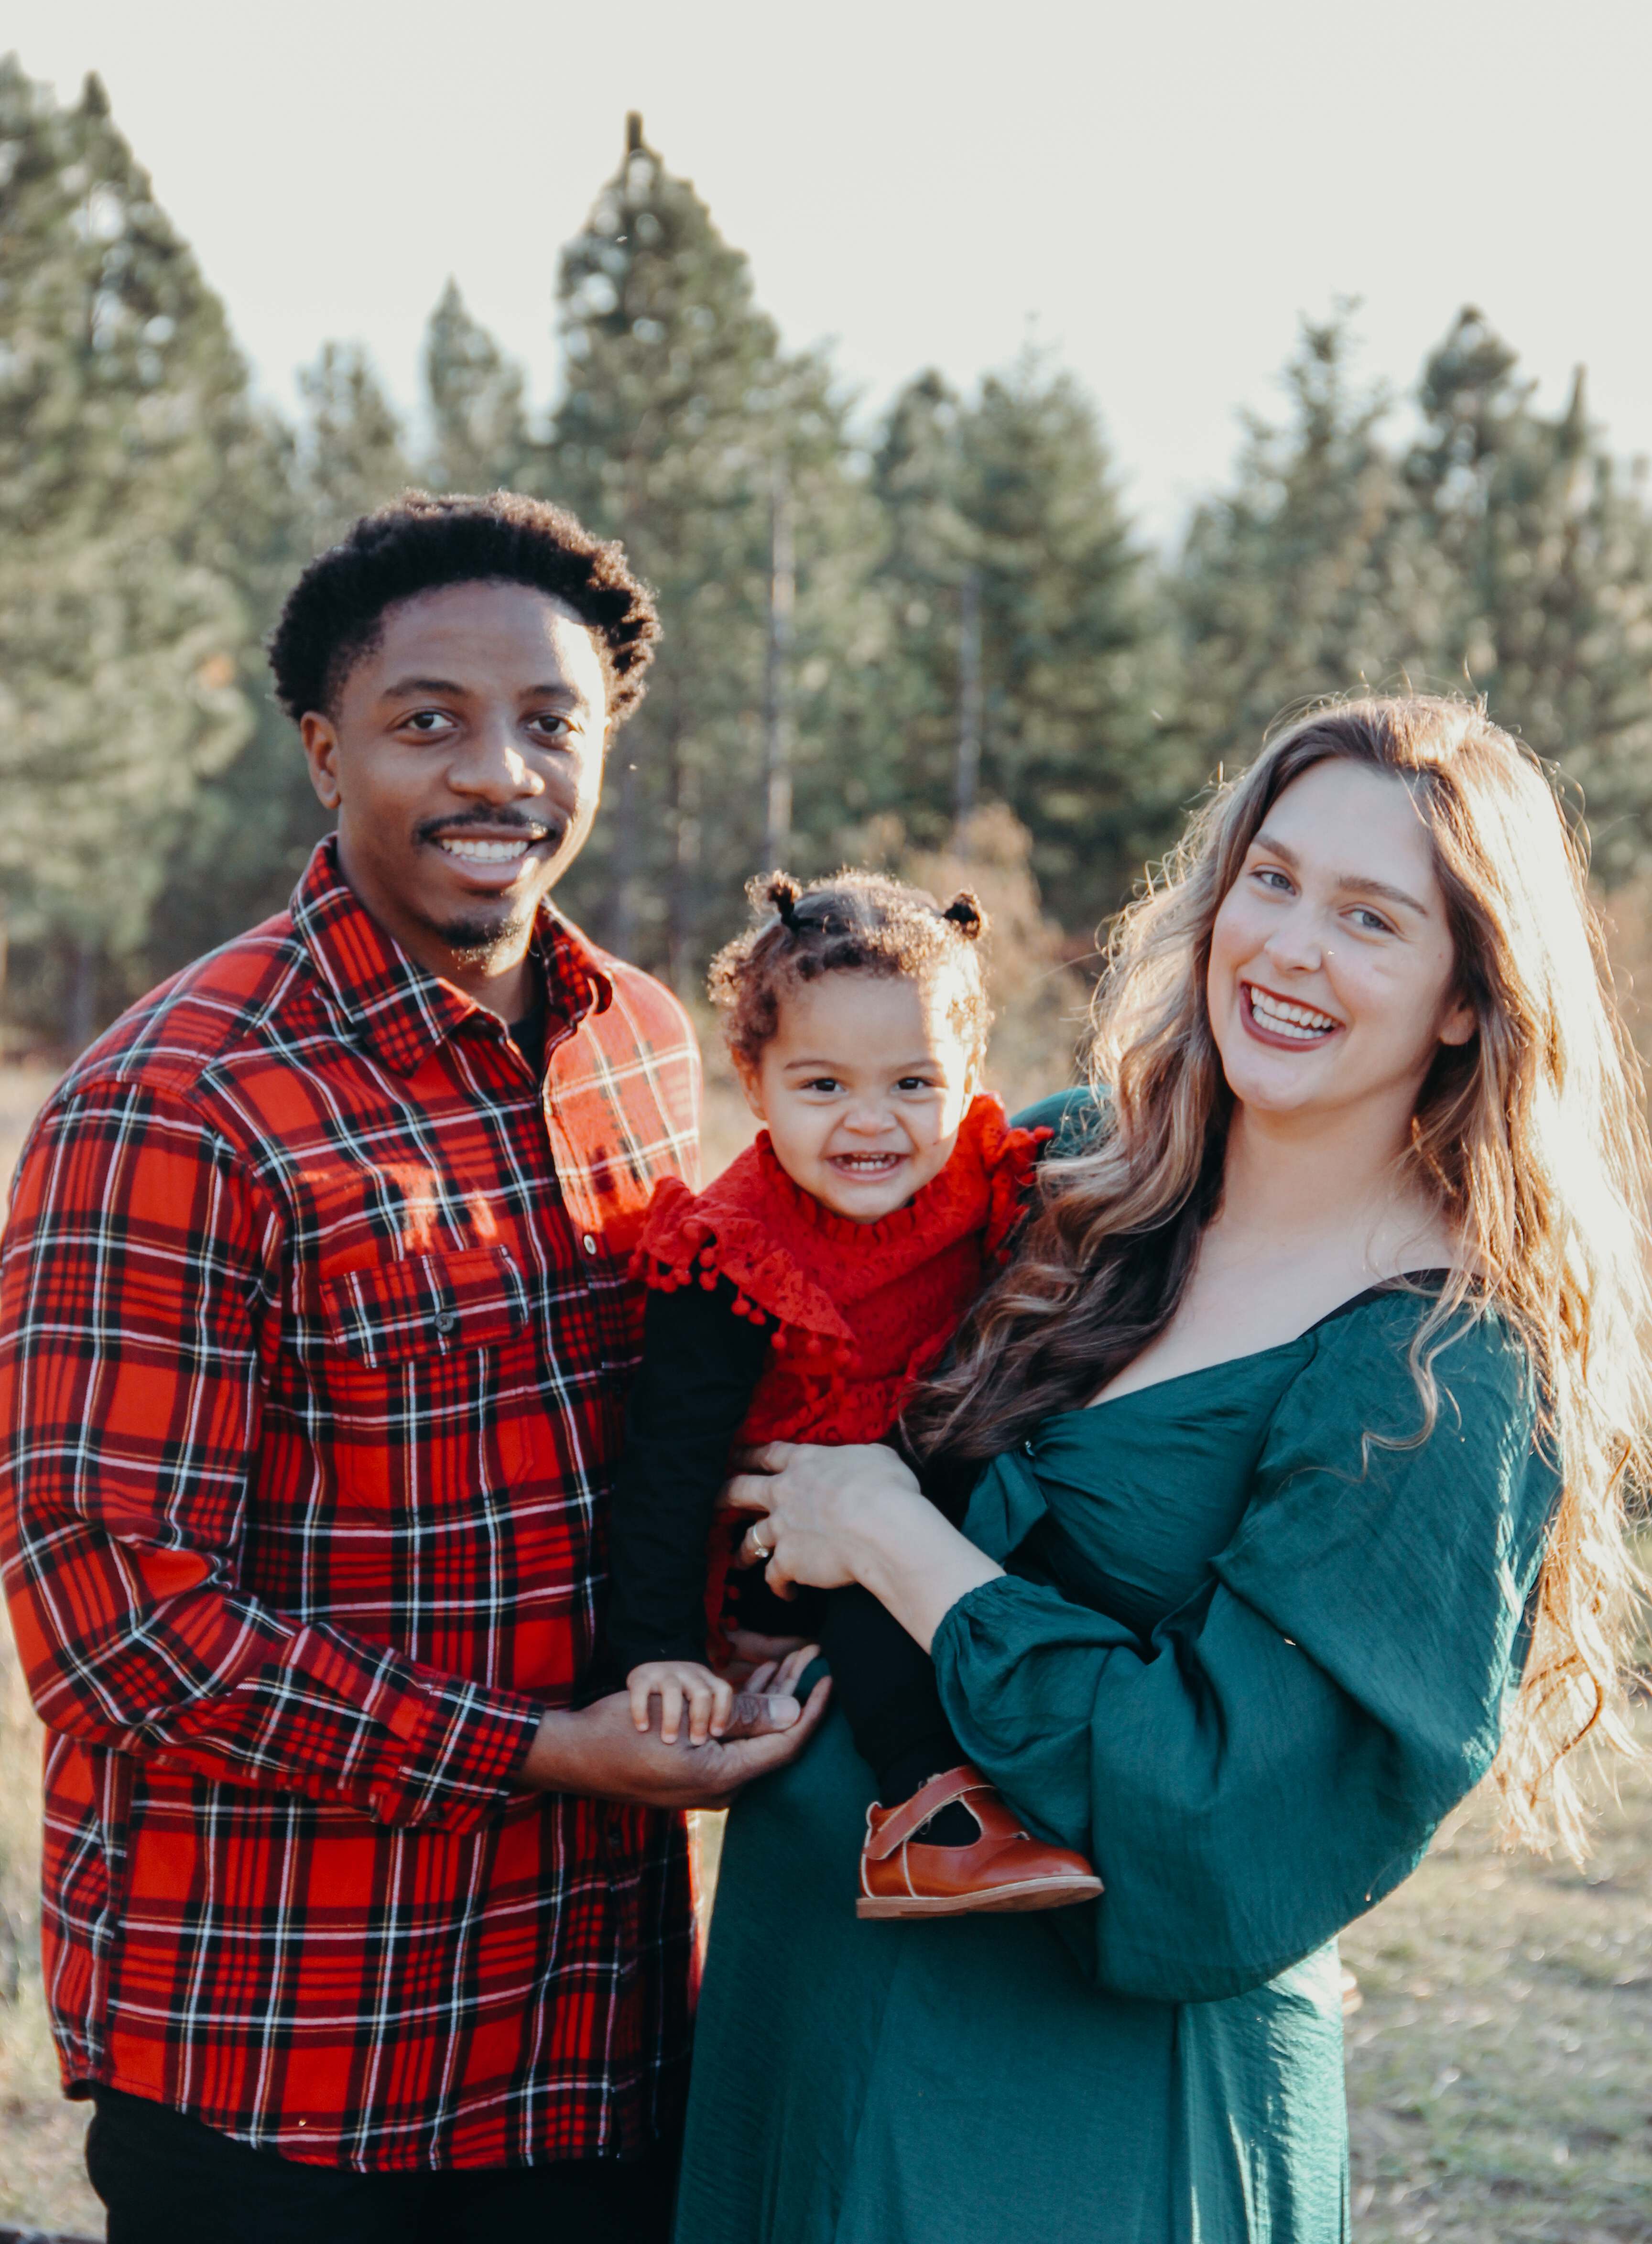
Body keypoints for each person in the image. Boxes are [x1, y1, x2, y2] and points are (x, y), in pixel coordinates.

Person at [674, 694, 1652, 2244]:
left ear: (1467, 995)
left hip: (1077, 2114)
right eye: (1269, 878)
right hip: (804, 1993)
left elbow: (1225, 1810)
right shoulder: (1064, 1172)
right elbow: (770, 1298)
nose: (1287, 946)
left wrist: (892, 1536)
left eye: (1369, 916)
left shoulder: (1438, 1369)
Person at [0, 490, 824, 2244]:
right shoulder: (177, 1102)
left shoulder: (645, 1050)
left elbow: (656, 1450)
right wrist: (542, 1749)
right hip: (287, 2057)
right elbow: (118, 1628)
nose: (497, 774)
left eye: (551, 722)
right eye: (426, 721)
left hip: (593, 2036)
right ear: (324, 752)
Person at [594, 869, 1100, 1917]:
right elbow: (667, 1468)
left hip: (932, 1471)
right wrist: (661, 1653)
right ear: (755, 1075)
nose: (871, 1124)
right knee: (872, 1587)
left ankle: (1086, 1754)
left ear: (968, 1074)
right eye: (824, 1087)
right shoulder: (730, 1257)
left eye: (914, 1085)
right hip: (793, 1529)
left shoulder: (987, 1184)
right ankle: (925, 1817)